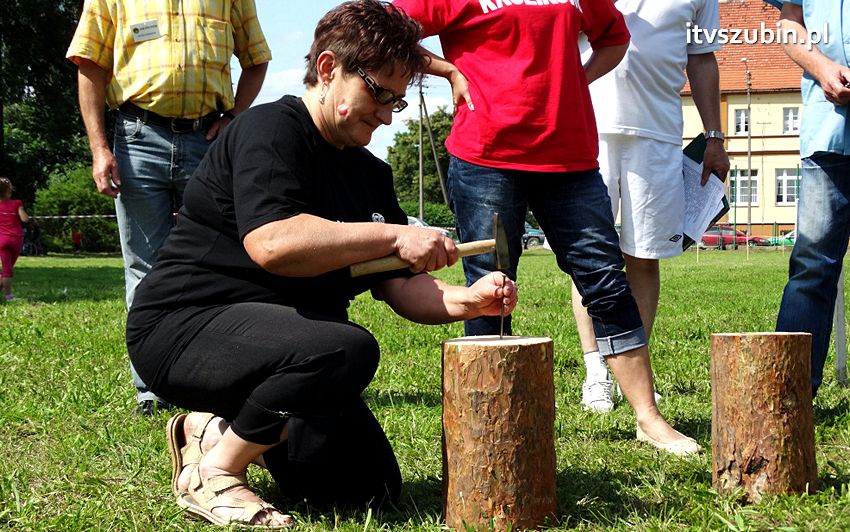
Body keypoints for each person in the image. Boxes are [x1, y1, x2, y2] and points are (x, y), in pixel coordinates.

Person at [126, 1, 517, 527]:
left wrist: (464, 300)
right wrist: (397, 234)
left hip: (285, 345)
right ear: (329, 68)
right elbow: (274, 244)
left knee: (367, 490)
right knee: (345, 347)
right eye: (378, 94)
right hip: (185, 326)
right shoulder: (270, 130)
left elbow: (399, 284)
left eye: (396, 103)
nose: (384, 114)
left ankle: (211, 429)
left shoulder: (371, 176)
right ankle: (214, 473)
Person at [394, 0, 701, 455]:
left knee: (606, 282)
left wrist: (579, 78)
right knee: (489, 288)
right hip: (486, 158)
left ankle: (647, 418)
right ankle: (491, 426)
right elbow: (387, 28)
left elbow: (614, 39)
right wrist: (448, 70)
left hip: (569, 158)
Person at [66, 0, 271, 416]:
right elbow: (90, 65)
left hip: (208, 139)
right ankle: (152, 388)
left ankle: (217, 379)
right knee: (144, 266)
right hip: (137, 137)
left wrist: (235, 116)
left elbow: (256, 59)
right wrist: (99, 147)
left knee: (219, 263)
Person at [572, 0, 730, 413]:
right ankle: (596, 374)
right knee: (590, 258)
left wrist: (714, 137)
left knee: (645, 257)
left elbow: (701, 59)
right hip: (587, 125)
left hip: (659, 134)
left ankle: (634, 376)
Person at [776, 0, 850, 398]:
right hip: (829, 131)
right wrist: (822, 68)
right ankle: (788, 395)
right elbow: (789, 21)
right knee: (812, 264)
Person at [0, 177, 30, 302]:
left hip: (1, 240)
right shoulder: (17, 203)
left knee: (6, 269)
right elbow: (25, 219)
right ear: (9, 191)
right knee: (8, 270)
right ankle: (8, 296)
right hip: (15, 239)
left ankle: (6, 294)